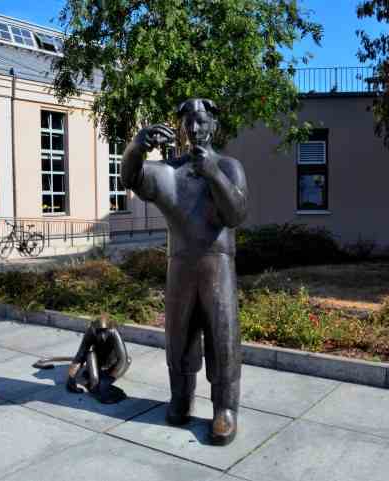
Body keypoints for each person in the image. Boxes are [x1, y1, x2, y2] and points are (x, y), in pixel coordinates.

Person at [121, 98, 248, 445]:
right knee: (179, 337)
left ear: (214, 126)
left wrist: (212, 174)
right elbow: (130, 177)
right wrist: (136, 146)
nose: (194, 129)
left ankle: (224, 409)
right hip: (180, 265)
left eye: (202, 121)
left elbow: (236, 213)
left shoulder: (228, 166)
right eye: (188, 123)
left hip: (217, 265)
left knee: (223, 339)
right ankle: (181, 397)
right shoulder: (169, 171)